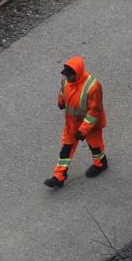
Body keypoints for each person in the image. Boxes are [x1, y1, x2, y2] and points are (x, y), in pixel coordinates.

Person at [45, 56, 108, 188]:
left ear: (77, 73)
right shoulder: (66, 80)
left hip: (91, 126)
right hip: (72, 123)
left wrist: (84, 130)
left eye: (70, 76)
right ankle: (59, 177)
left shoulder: (93, 87)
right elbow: (63, 91)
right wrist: (61, 101)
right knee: (66, 149)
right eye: (66, 75)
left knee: (95, 147)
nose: (68, 78)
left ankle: (101, 164)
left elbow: (94, 112)